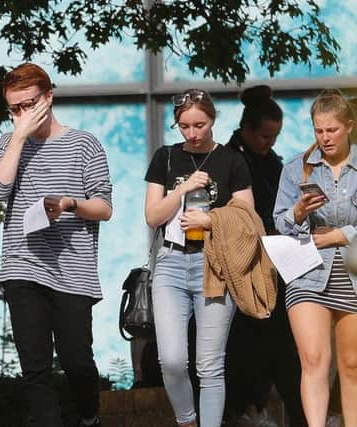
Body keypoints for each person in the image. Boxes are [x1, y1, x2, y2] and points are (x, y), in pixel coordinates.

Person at [0, 63, 112, 427]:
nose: (23, 114)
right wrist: (19, 137)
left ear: (48, 97)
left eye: (29, 105)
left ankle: (89, 417)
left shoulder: (83, 143)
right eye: (15, 109)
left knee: (77, 361)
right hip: (22, 265)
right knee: (35, 367)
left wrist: (70, 203)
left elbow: (104, 207)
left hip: (73, 270)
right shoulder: (7, 144)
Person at [144, 88, 253, 427]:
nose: (192, 134)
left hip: (215, 263)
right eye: (184, 126)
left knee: (209, 364)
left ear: (213, 121)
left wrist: (210, 220)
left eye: (200, 125)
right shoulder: (165, 157)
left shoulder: (232, 159)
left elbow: (248, 217)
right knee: (173, 360)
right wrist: (182, 189)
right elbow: (152, 216)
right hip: (171, 262)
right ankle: (186, 419)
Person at [273, 89, 357, 427]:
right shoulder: (298, 169)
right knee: (313, 359)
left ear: (349, 126)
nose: (324, 138)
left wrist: (341, 235)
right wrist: (297, 212)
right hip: (308, 272)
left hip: (352, 270)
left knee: (351, 363)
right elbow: (279, 221)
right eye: (318, 130)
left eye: (331, 130)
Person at [225, 85, 306, 427]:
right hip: (245, 271)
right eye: (264, 136)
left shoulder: (272, 162)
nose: (270, 143)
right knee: (251, 350)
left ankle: (286, 412)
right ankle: (248, 409)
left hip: (276, 268)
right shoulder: (230, 161)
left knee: (285, 348)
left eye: (275, 137)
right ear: (247, 130)